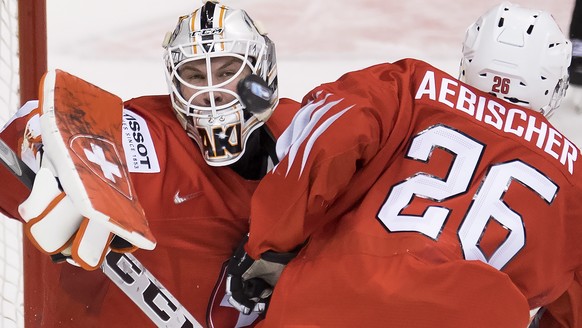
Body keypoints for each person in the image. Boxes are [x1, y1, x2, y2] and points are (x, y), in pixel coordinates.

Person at [225, 2, 580, 327]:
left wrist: (269, 240)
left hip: (338, 294)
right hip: (474, 314)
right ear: (554, 84)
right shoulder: (574, 174)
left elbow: (331, 136)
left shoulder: (409, 84)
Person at [0, 1, 299, 327]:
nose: (212, 92)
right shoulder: (148, 141)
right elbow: (54, 122)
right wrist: (49, 153)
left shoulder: (304, 139)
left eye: (227, 71)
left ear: (260, 73)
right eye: (195, 75)